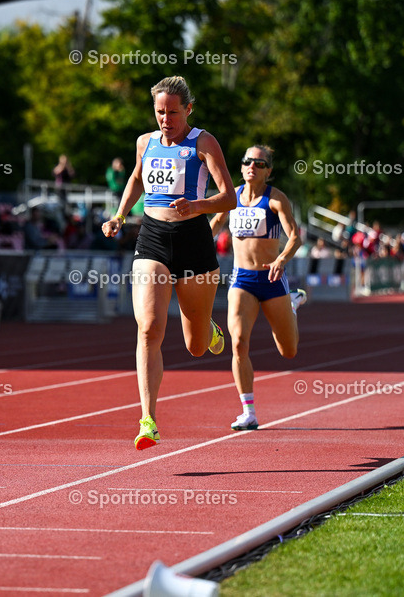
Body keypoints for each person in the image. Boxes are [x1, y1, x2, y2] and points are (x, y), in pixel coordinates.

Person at [101, 75, 235, 449]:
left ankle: (206, 327)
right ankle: (148, 420)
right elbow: (137, 179)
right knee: (149, 328)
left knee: (195, 346)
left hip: (194, 242)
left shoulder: (203, 142)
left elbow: (229, 198)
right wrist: (119, 215)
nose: (165, 119)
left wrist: (198, 206)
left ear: (188, 109)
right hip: (153, 241)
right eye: (160, 112)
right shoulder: (145, 142)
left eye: (173, 112)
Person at [209, 145, 306, 431]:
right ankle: (248, 411)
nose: (252, 166)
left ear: (268, 171)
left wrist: (281, 259)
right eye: (247, 161)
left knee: (288, 351)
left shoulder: (276, 200)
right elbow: (213, 226)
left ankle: (292, 305)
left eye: (260, 163)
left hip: (273, 280)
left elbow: (295, 238)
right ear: (241, 168)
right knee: (238, 343)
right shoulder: (232, 198)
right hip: (242, 280)